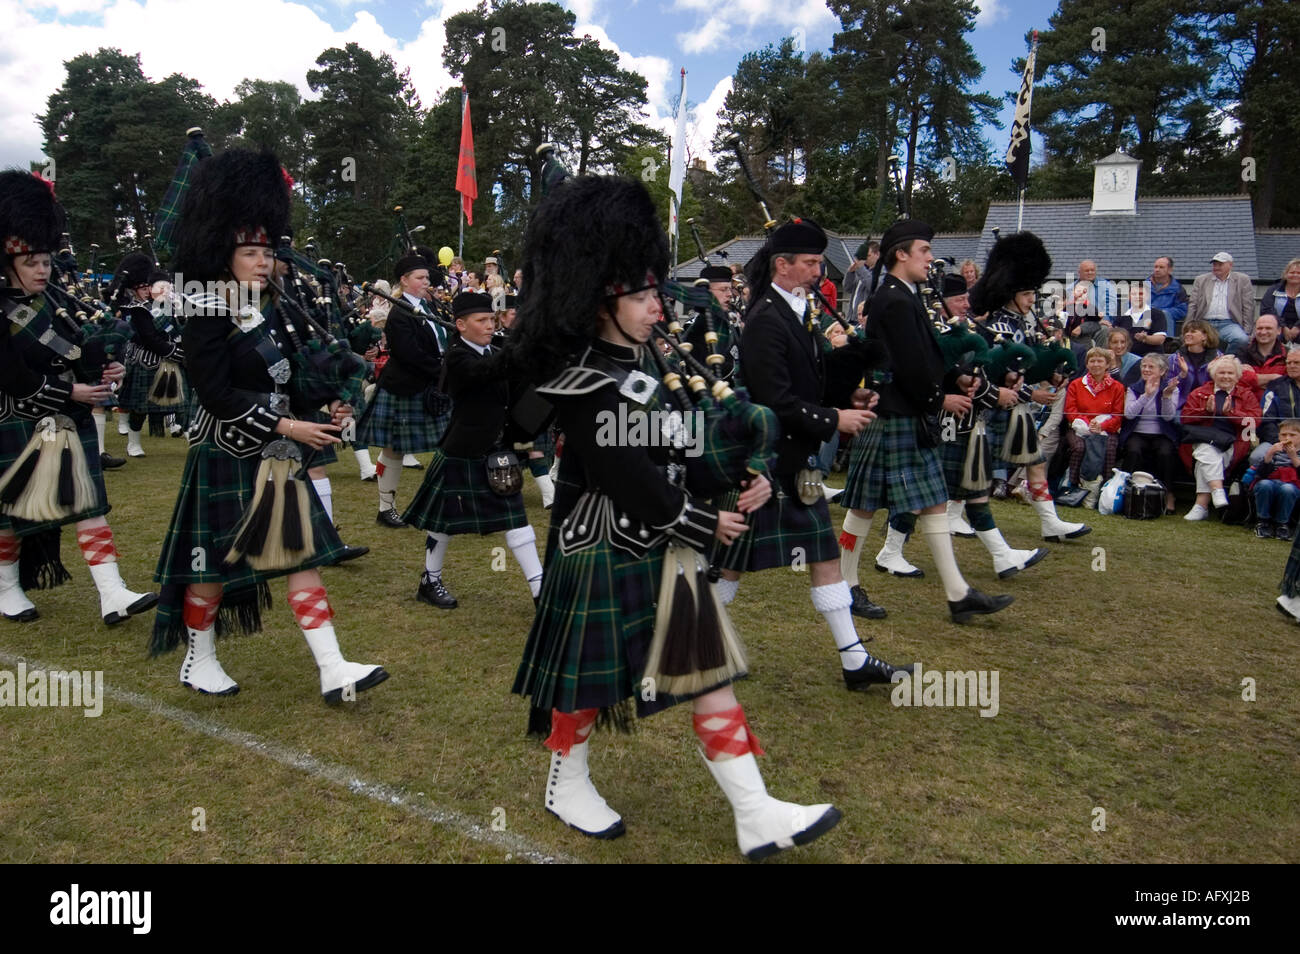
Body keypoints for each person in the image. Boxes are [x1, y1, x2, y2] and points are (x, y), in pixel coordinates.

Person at [510, 175, 841, 858]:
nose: (656, 306)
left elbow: (679, 442)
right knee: (591, 684)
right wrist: (699, 522)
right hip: (602, 544)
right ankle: (566, 780)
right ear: (602, 300)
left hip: (664, 544)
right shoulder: (581, 381)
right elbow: (619, 468)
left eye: (654, 292)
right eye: (642, 295)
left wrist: (737, 477)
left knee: (707, 676)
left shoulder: (641, 369)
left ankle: (755, 813)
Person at [150, 149, 386, 702]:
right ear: (222, 251)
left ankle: (333, 668)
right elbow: (215, 393)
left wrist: (328, 401)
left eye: (266, 250)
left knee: (297, 554)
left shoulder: (269, 308)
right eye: (250, 251)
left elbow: (289, 378)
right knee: (213, 564)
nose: (262, 261)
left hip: (273, 450)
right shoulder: (206, 308)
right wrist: (287, 428)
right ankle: (199, 658)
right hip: (228, 449)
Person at [717, 215, 914, 686]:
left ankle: (854, 660)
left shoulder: (797, 310)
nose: (818, 272)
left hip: (792, 461)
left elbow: (811, 377)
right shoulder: (766, 320)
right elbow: (775, 399)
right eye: (808, 263)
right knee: (726, 565)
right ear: (782, 265)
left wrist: (847, 395)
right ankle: (704, 647)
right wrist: (835, 420)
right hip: (765, 462)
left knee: (823, 557)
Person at [0, 169, 157, 627]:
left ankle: (113, 593)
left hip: (66, 415)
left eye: (47, 262)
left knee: (88, 504)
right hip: (17, 415)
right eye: (33, 263)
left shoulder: (54, 300)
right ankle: (7, 588)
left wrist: (107, 367)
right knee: (10, 511)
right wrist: (70, 389)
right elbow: (8, 373)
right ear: (9, 262)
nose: (43, 270)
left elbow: (79, 348)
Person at [840, 219, 1014, 623]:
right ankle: (845, 584)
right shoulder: (893, 300)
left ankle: (958, 593)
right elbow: (907, 365)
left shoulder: (905, 294)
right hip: (894, 414)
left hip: (904, 413)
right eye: (924, 251)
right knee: (864, 506)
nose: (930, 258)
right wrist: (941, 398)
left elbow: (928, 351)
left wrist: (957, 376)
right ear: (901, 254)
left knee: (933, 501)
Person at [401, 292, 543, 609]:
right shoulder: (456, 357)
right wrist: (518, 349)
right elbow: (485, 372)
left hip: (497, 450)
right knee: (443, 522)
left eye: (492, 320)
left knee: (517, 518)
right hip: (462, 450)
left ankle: (539, 588)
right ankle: (430, 580)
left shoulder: (495, 350)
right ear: (461, 325)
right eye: (482, 321)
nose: (490, 326)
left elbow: (517, 384)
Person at [968, 231, 1091, 541]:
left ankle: (1050, 522)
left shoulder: (1023, 324)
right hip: (991, 408)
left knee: (1034, 462)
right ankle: (954, 516)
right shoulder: (996, 327)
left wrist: (1051, 374)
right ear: (1011, 294)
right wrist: (1032, 393)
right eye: (1026, 295)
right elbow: (994, 374)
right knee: (973, 467)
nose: (1032, 301)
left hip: (1016, 408)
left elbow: (1029, 364)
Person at [356, 253, 452, 527]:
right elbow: (410, 354)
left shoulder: (428, 308)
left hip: (430, 385)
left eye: (426, 277)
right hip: (404, 388)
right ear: (404, 280)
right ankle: (386, 508)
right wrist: (444, 371)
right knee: (394, 449)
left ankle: (447, 503)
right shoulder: (400, 313)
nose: (426, 282)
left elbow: (440, 343)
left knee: (448, 444)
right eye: (420, 278)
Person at [1180, 355, 1260, 521]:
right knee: (1206, 450)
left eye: (1230, 373)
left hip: (1233, 443)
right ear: (1214, 375)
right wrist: (1206, 411)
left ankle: (1201, 505)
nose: (1225, 376)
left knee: (1206, 457)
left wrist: (1230, 413)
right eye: (1221, 372)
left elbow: (1254, 422)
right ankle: (1217, 491)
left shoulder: (1246, 395)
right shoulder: (1200, 392)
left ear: (1237, 376)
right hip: (1200, 441)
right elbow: (1185, 418)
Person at [1118, 352, 1181, 514]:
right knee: (1133, 450)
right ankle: (1126, 492)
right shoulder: (1134, 388)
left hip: (1161, 433)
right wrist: (1146, 395)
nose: (1146, 369)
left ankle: (1168, 494)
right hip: (1137, 431)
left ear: (1162, 371)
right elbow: (1129, 414)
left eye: (1150, 367)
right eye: (1143, 366)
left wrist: (1165, 397)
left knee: (1166, 452)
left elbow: (1168, 417)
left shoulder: (1171, 388)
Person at [1064, 347, 1127, 504]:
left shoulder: (1117, 387)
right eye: (1092, 361)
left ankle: (1103, 491)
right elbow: (1070, 411)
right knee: (1079, 448)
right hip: (1079, 428)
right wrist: (1087, 423)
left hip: (1106, 429)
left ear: (1107, 365)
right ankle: (1072, 487)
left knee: (1110, 447)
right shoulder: (1076, 385)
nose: (1096, 364)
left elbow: (1118, 415)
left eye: (1100, 361)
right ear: (1087, 364)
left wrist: (1102, 426)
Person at [1186, 252, 1255, 349]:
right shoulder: (1201, 280)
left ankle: (1225, 360)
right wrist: (1188, 327)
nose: (1216, 267)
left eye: (1220, 264)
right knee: (1192, 341)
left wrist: (1247, 331)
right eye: (1214, 264)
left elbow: (1248, 307)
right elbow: (1193, 305)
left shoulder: (1242, 280)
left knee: (1242, 340)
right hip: (1204, 323)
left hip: (1229, 323)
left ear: (1230, 265)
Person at [1249, 419, 1300, 539]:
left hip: (1293, 485)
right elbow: (1260, 474)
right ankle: (1263, 522)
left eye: (1292, 435)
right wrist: (1269, 454)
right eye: (1283, 435)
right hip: (1272, 481)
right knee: (1264, 485)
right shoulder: (1274, 449)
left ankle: (1282, 523)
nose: (1287, 437)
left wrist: (1293, 457)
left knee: (1287, 489)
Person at [1170, 318, 1222, 410]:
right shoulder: (1174, 359)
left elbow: (1224, 386)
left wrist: (1211, 373)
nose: (1187, 334)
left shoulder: (1218, 358)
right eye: (1186, 331)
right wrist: (1182, 375)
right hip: (1181, 408)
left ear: (1205, 336)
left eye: (1193, 331)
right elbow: (1166, 387)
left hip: (1209, 408)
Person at [1113, 280, 1168, 363]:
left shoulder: (1157, 314)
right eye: (1134, 294)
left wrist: (1146, 338)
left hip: (1152, 359)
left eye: (1141, 294)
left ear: (1148, 296)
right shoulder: (1122, 316)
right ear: (1129, 296)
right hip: (1126, 360)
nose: (1137, 296)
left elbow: (1160, 339)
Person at [1233, 313, 1286, 399]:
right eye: (1259, 328)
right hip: (1246, 405)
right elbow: (1236, 379)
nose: (1263, 332)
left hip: (1277, 405)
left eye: (1268, 328)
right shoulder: (1242, 352)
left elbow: (1287, 383)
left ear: (1279, 331)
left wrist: (1253, 379)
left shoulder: (1287, 354)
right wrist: (1274, 377)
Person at [1261, 258, 1300, 341]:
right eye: (1292, 272)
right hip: (1277, 326)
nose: (1295, 275)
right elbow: (1266, 310)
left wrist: (1297, 327)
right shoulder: (1274, 289)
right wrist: (1283, 327)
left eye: (1299, 273)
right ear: (1285, 274)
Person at [1149, 256, 1188, 333]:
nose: (1157, 270)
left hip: (1165, 321)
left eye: (1161, 267)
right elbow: (1132, 306)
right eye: (1156, 267)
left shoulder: (1178, 289)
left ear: (1170, 270)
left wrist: (1161, 312)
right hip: (1145, 320)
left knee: (1165, 315)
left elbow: (1182, 310)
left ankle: (1167, 343)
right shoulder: (1142, 286)